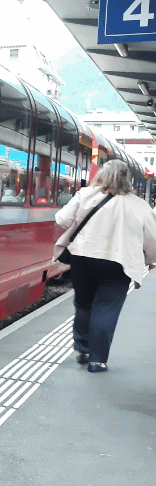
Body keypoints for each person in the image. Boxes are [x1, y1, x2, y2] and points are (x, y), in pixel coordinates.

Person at [54, 160, 156, 373]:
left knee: (83, 305)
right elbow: (152, 239)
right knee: (106, 309)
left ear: (101, 174)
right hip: (119, 264)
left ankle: (82, 349)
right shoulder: (139, 205)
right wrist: (150, 260)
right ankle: (97, 360)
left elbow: (62, 219)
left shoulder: (86, 194)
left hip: (83, 258)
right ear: (127, 179)